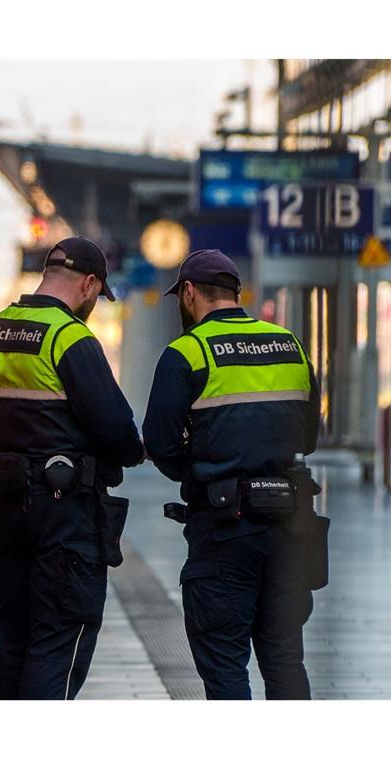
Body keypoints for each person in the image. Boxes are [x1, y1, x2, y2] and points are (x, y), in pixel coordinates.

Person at [0, 236, 146, 700]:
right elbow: (116, 430)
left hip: (9, 517)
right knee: (58, 645)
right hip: (65, 520)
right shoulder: (70, 339)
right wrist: (129, 453)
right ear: (89, 284)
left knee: (13, 647)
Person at [142, 248, 322, 700]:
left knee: (225, 667)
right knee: (284, 661)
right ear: (235, 293)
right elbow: (310, 437)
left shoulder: (187, 352)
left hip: (224, 531)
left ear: (188, 293)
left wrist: (205, 474)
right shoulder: (288, 344)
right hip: (288, 526)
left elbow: (161, 445)